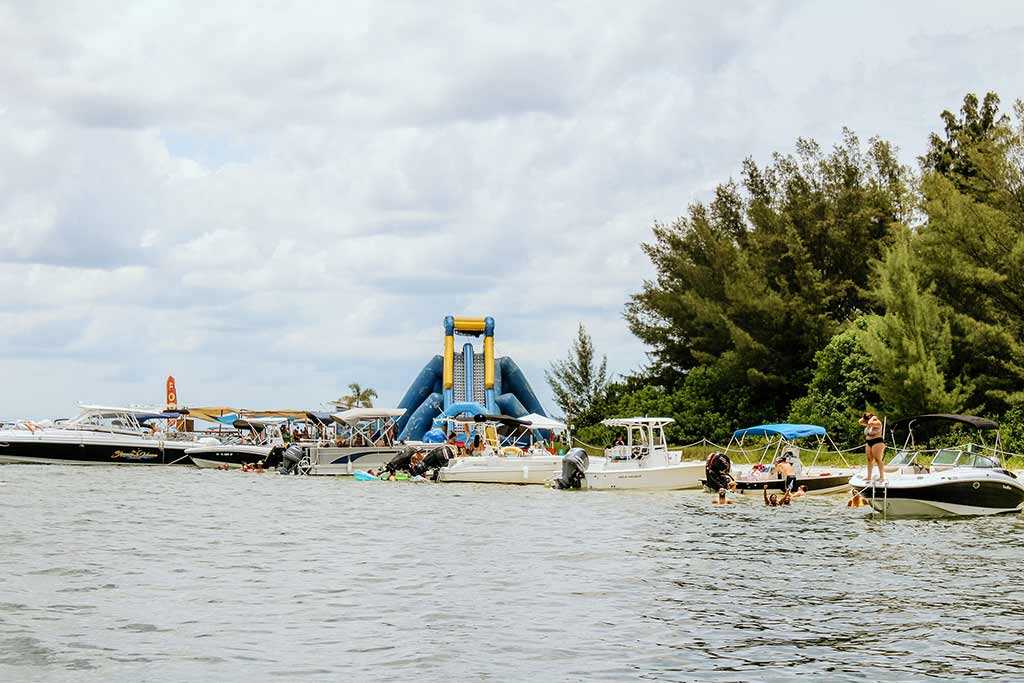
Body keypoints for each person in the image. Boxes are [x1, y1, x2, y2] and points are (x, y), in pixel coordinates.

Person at [859, 411, 886, 481]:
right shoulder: (868, 424)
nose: (866, 420)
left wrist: (873, 417)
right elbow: (860, 422)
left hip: (877, 441)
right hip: (869, 442)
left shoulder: (877, 423)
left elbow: (870, 423)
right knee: (869, 460)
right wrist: (864, 417)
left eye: (867, 418)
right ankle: (869, 476)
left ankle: (882, 477)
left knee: (877, 459)